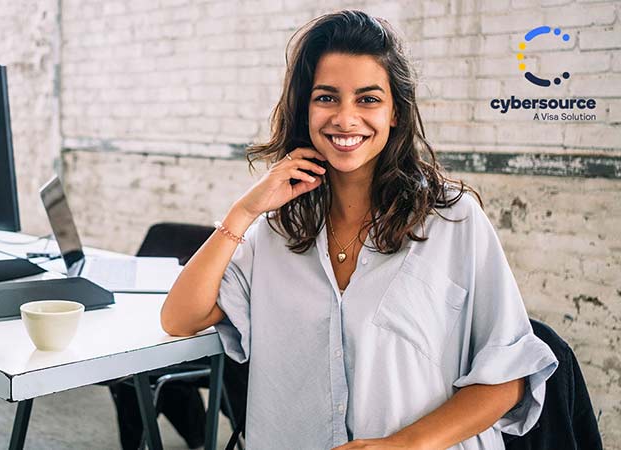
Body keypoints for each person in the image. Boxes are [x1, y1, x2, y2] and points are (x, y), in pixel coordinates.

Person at [161, 10, 558, 450]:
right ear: (305, 108)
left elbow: (510, 378)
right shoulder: (277, 230)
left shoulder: (453, 220)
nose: (345, 119)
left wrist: (401, 445)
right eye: (326, 98)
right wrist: (244, 212)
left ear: (395, 113)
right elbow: (180, 318)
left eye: (368, 99)